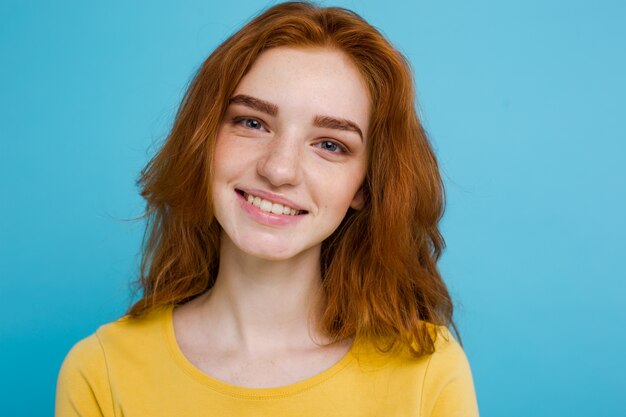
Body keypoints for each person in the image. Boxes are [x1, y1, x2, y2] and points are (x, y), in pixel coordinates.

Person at [55, 2, 479, 416]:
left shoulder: (428, 371)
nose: (278, 169)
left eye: (330, 145)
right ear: (203, 142)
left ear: (364, 187)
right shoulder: (103, 370)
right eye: (252, 123)